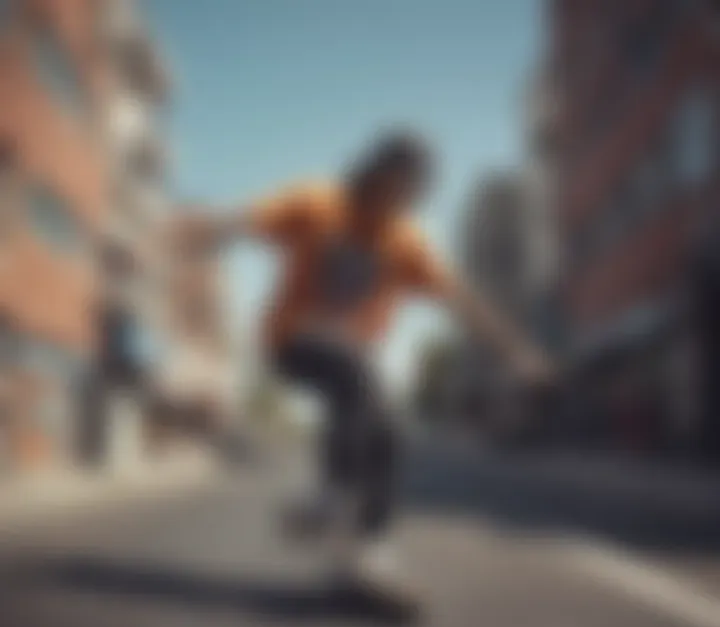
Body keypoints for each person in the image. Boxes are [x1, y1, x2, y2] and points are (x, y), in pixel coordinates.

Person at [174, 130, 552, 599]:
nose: (391, 204)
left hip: (351, 354)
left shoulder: (406, 241)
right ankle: (333, 498)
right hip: (294, 340)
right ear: (369, 174)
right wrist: (194, 232)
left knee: (388, 432)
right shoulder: (317, 203)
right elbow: (246, 219)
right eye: (386, 190)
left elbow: (463, 302)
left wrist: (517, 352)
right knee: (352, 371)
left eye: (405, 195)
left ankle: (369, 552)